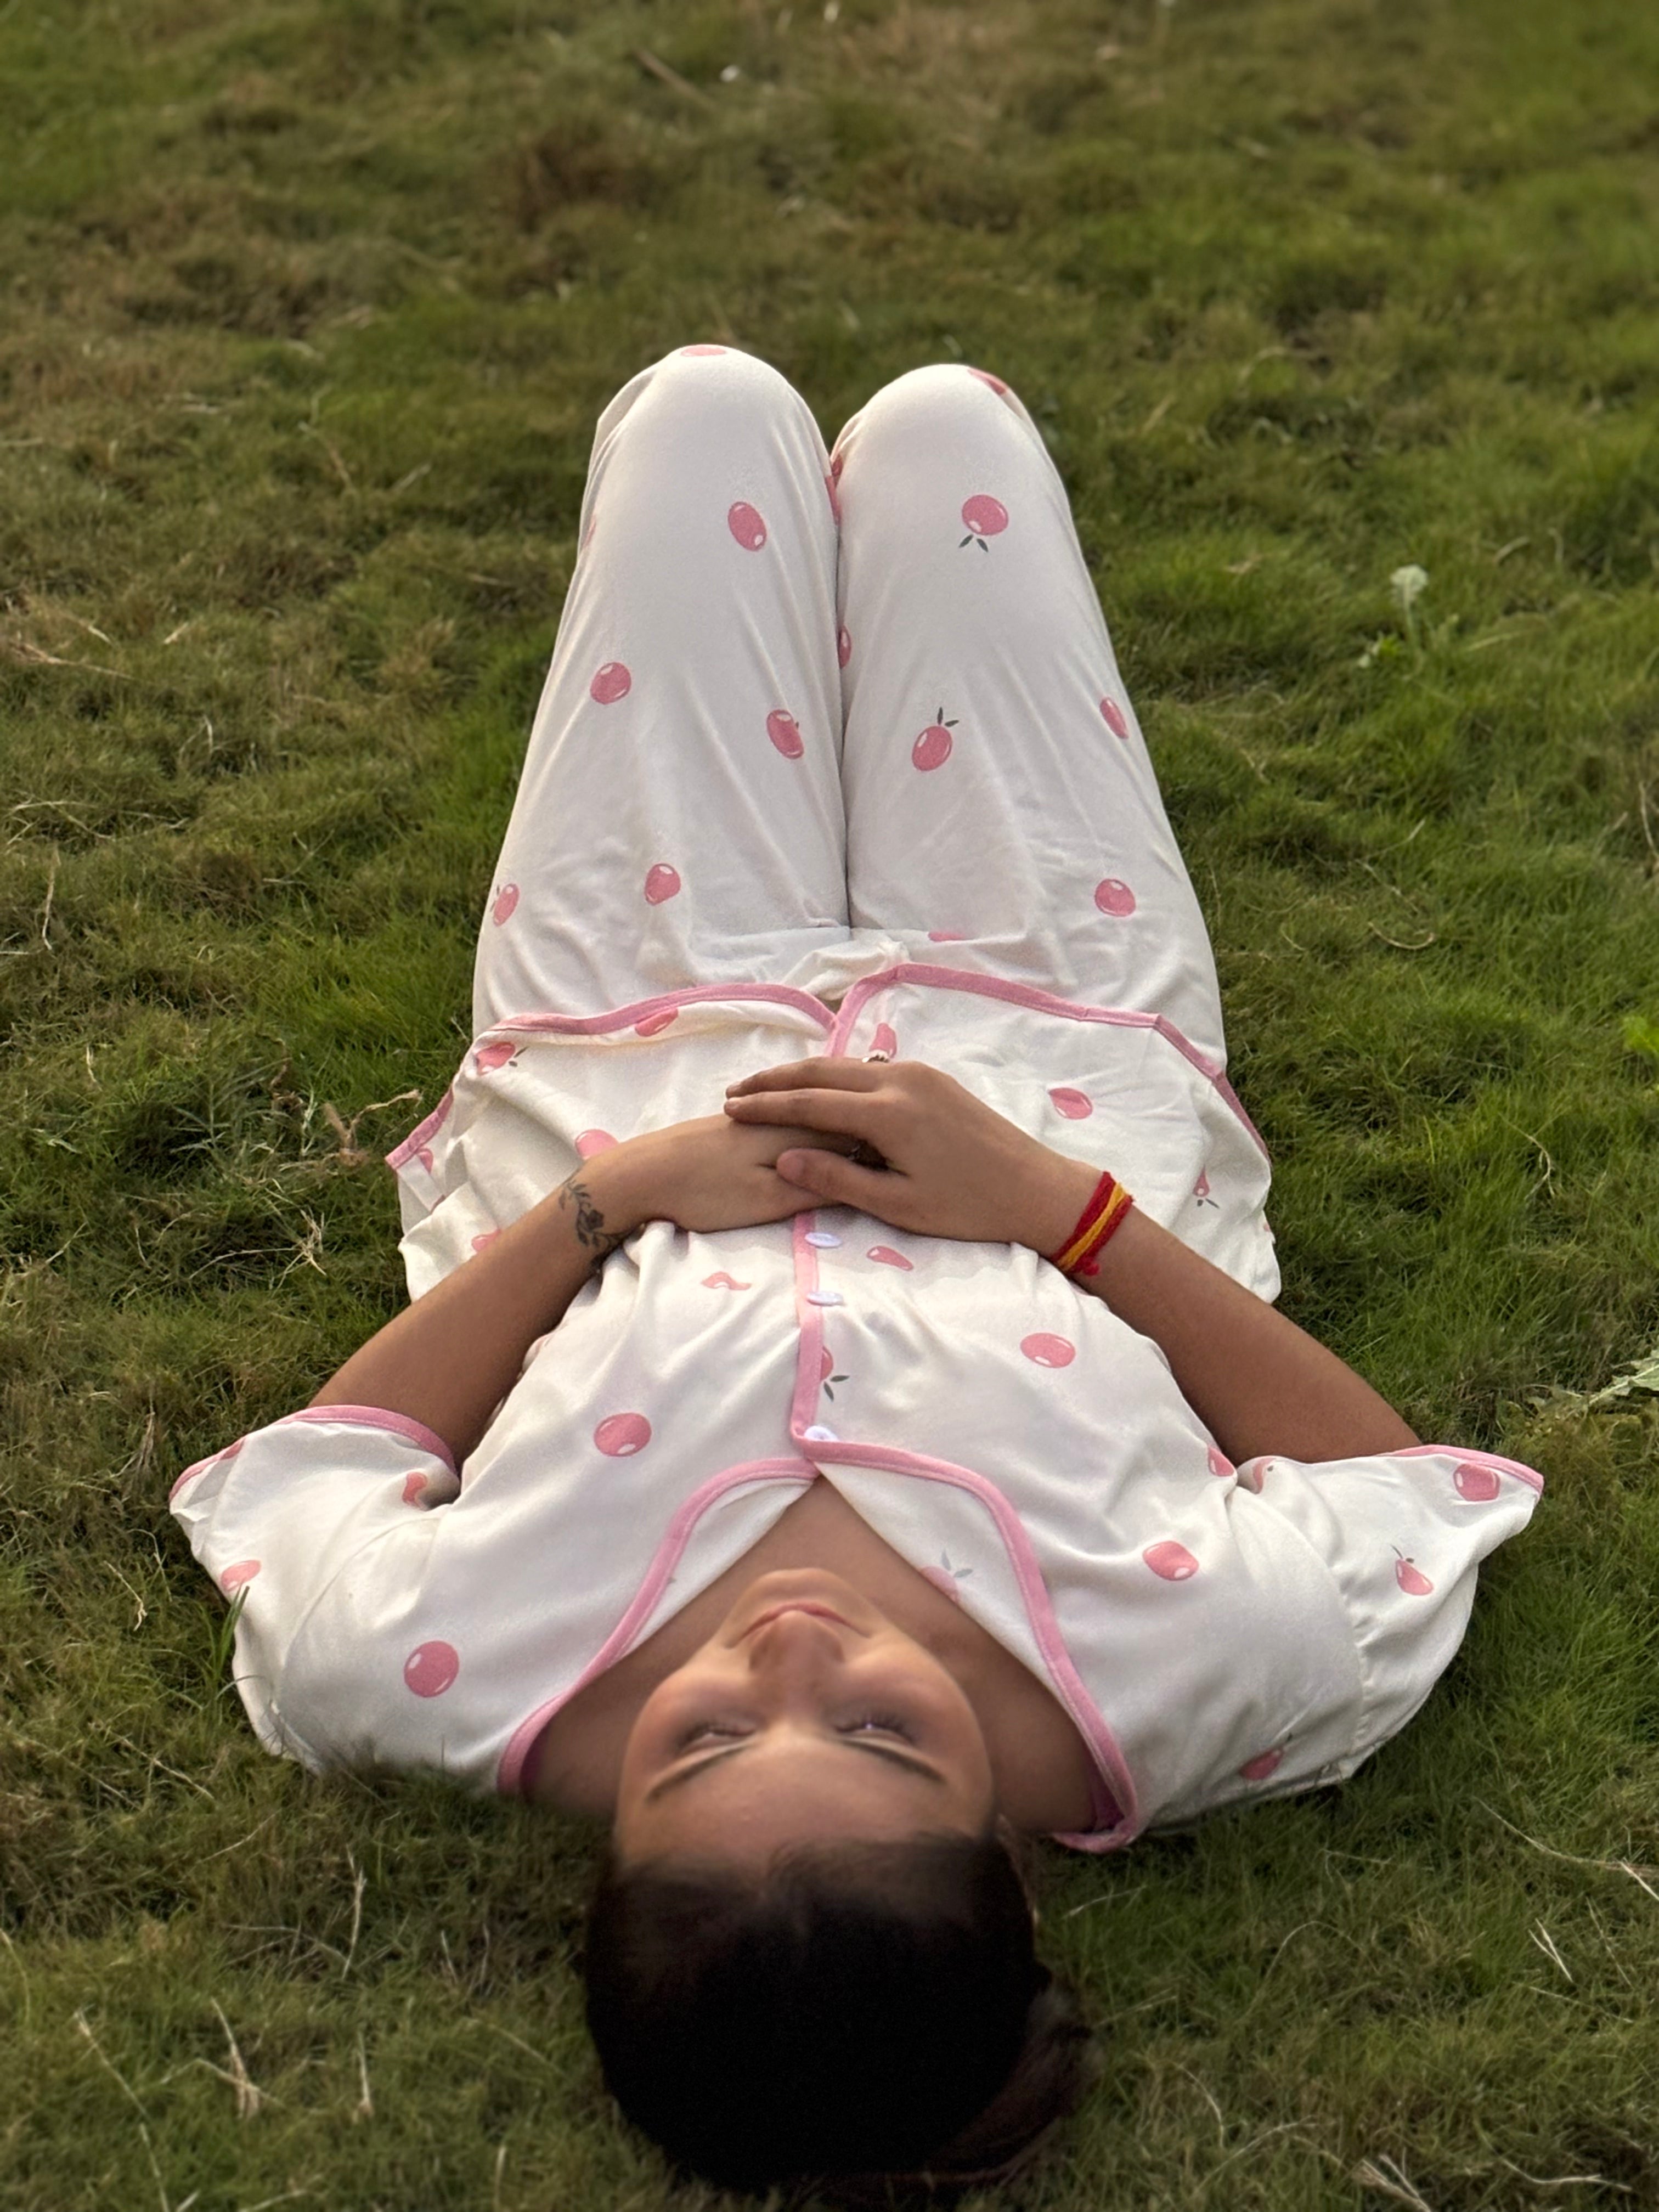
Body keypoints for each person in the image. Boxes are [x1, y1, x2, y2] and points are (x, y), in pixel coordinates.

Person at [171, 347, 1543, 2200]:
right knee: (947, 432)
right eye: (887, 1735)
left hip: (629, 1030)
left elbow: (329, 1461)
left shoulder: (405, 1675)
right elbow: (1394, 1486)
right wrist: (1066, 1213)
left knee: (698, 411)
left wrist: (618, 1196)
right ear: (1010, 1840)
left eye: (704, 1744)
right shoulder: (1229, 1669)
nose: (791, 1661)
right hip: (1057, 1017)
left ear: (611, 1851)